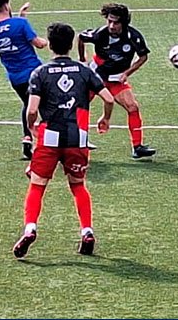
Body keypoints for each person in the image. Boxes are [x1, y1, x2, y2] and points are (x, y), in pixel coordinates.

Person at [13, 22, 118, 259]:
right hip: (77, 138)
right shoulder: (84, 71)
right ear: (71, 45)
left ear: (49, 45)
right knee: (78, 185)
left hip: (49, 138)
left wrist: (31, 127)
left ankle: (30, 228)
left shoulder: (39, 73)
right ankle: (87, 231)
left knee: (37, 186)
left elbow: (32, 110)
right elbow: (109, 98)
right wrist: (105, 118)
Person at [78, 3, 157, 160]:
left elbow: (143, 57)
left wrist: (127, 73)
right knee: (81, 104)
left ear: (124, 22)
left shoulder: (134, 37)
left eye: (116, 22)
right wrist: (82, 59)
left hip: (116, 78)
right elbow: (81, 37)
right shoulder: (100, 34)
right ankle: (80, 141)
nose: (112, 26)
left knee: (132, 107)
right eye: (109, 21)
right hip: (96, 75)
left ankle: (137, 147)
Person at [0, 0, 50, 160]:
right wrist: (54, 40)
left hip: (15, 77)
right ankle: (50, 142)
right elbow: (39, 44)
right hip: (33, 73)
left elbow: (10, 32)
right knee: (48, 106)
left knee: (28, 104)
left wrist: (21, 17)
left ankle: (27, 138)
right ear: (6, 6)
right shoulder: (20, 24)